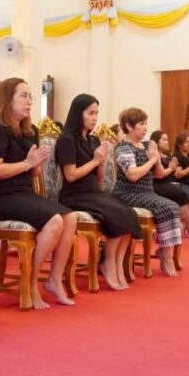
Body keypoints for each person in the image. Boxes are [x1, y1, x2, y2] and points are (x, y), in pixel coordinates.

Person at [0, 77, 78, 308]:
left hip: (23, 193)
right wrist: (27, 163)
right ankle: (30, 283)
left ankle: (54, 279)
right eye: (23, 96)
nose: (29, 101)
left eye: (30, 97)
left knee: (70, 218)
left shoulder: (30, 131)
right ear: (7, 99)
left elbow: (31, 173)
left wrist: (35, 165)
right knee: (54, 222)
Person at [55, 94, 141, 290]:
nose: (94, 118)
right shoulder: (67, 140)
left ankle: (117, 264)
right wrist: (95, 160)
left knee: (129, 212)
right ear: (78, 113)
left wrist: (101, 161)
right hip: (74, 194)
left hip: (93, 191)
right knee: (117, 214)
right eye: (90, 113)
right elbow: (70, 175)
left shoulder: (92, 140)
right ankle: (108, 263)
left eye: (96, 113)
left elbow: (99, 177)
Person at [112, 108, 183, 275]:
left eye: (146, 123)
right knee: (166, 207)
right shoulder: (123, 148)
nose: (145, 128)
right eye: (141, 124)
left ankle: (164, 252)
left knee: (173, 206)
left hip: (147, 192)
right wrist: (151, 160)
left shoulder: (146, 146)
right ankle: (166, 257)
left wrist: (156, 160)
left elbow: (159, 175)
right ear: (129, 126)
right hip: (127, 194)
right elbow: (132, 175)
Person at [149, 130, 189, 232]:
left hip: (166, 183)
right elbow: (158, 175)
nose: (167, 142)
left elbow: (173, 173)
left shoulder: (167, 155)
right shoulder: (155, 155)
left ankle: (187, 224)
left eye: (167, 140)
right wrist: (171, 168)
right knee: (181, 192)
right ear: (156, 141)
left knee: (185, 192)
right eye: (164, 140)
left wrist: (172, 170)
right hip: (157, 185)